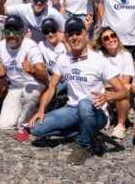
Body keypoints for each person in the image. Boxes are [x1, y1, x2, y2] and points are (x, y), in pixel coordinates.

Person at [27, 17, 128, 165]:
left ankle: (83, 146)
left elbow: (124, 92)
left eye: (78, 33)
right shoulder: (63, 59)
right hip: (72, 109)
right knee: (36, 129)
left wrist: (107, 97)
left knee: (84, 104)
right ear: (66, 37)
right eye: (71, 34)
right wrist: (41, 110)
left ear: (86, 34)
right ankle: (82, 132)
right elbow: (52, 86)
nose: (75, 37)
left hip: (96, 111)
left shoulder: (99, 61)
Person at [0, 15, 49, 137]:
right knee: (5, 125)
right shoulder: (1, 46)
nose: (11, 35)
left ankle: (23, 125)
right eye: (8, 30)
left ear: (22, 32)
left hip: (33, 83)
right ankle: (31, 110)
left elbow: (44, 77)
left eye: (15, 31)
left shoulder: (31, 46)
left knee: (29, 94)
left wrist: (32, 71)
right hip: (15, 87)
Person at [91, 26, 134, 139]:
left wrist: (107, 85)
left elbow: (125, 80)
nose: (111, 39)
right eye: (106, 38)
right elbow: (86, 47)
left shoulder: (126, 55)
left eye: (113, 35)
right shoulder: (98, 55)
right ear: (102, 43)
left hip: (115, 90)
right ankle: (108, 113)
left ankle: (121, 125)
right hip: (103, 91)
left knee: (122, 90)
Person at [0, 0, 65, 43]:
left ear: (46, 1)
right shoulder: (23, 9)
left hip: (46, 47)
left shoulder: (53, 14)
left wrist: (59, 36)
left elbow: (66, 30)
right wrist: (0, 3)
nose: (39, 3)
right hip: (27, 46)